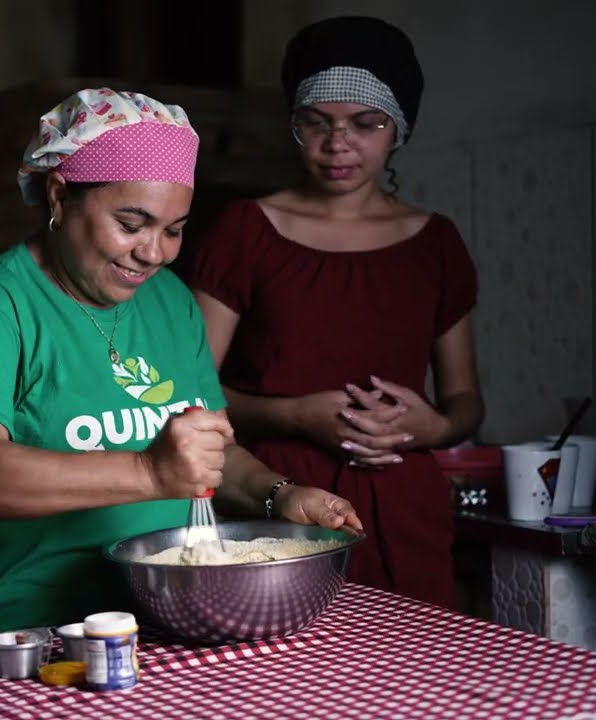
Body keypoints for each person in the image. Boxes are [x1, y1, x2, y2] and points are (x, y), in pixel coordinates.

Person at [0, 88, 363, 637]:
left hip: (173, 620)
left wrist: (280, 494)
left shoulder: (171, 301)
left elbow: (209, 453)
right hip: (42, 635)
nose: (154, 253)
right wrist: (149, 472)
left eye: (174, 230)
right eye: (132, 224)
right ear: (59, 197)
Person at [184, 17, 484, 609]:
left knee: (415, 681)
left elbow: (466, 401)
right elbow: (190, 394)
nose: (337, 143)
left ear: (399, 127)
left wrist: (435, 427)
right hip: (279, 499)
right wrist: (295, 415)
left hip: (404, 505)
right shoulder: (247, 231)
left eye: (365, 124)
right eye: (315, 124)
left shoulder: (434, 243)